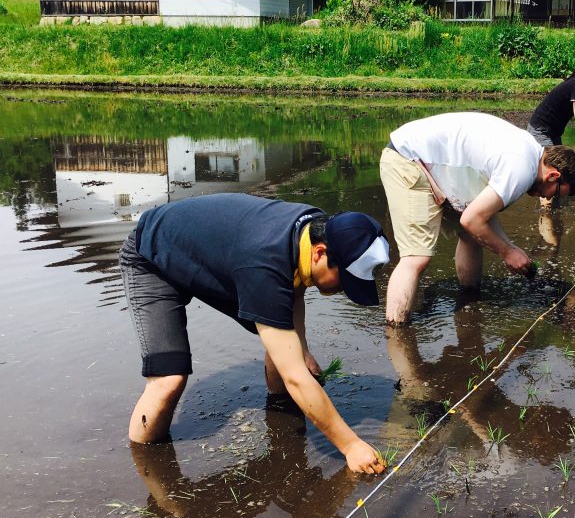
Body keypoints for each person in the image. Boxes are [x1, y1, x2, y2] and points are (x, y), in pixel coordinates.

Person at [120, 193, 391, 474]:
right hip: (151, 256)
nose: (344, 290)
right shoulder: (265, 263)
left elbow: (295, 290)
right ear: (320, 253)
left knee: (286, 344)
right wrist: (351, 445)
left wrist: (303, 349)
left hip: (204, 252)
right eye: (345, 281)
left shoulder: (315, 229)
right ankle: (145, 469)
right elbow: (296, 378)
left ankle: (280, 408)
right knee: (168, 380)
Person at [381, 112, 575, 324]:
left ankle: (468, 299)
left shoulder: (530, 153)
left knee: (471, 237)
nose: (548, 197)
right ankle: (397, 332)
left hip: (434, 164)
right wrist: (507, 252)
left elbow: (479, 221)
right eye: (556, 193)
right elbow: (471, 220)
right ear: (553, 175)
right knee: (416, 257)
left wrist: (511, 248)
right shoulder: (521, 170)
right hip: (408, 158)